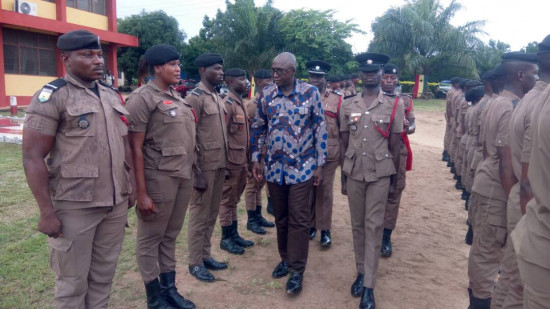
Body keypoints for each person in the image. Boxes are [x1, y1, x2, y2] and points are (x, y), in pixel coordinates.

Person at [22, 30, 133, 308]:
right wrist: (47, 212)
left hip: (114, 204)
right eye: (87, 55)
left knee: (103, 278)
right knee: (72, 284)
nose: (97, 60)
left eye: (98, 54)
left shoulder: (111, 95)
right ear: (66, 59)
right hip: (75, 206)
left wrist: (128, 185)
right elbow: (32, 156)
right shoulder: (53, 96)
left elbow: (123, 143)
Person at [250, 52, 327, 295]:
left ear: (292, 71)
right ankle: (285, 258)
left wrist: (320, 164)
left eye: (279, 71)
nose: (274, 75)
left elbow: (319, 127)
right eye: (273, 70)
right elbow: (259, 128)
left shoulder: (309, 93)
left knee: (299, 219)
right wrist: (256, 159)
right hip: (274, 168)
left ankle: (297, 270)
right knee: (281, 217)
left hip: (302, 167)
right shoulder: (266, 95)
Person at [126, 44, 196, 309]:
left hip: (181, 177)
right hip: (158, 179)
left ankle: (170, 289)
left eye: (178, 64)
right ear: (157, 67)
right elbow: (135, 148)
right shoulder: (142, 98)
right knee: (149, 239)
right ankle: (154, 298)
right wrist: (140, 192)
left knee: (170, 236)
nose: (178, 69)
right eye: (172, 64)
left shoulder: (177, 97)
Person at [468, 52, 538, 308]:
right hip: (497, 189)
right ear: (520, 75)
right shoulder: (510, 108)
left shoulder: (496, 102)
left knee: (485, 250)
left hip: (488, 183)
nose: (537, 78)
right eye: (534, 73)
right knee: (488, 254)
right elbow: (506, 163)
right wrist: (515, 200)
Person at [340, 53, 404, 309]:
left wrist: (393, 179)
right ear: (360, 75)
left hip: (379, 172)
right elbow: (345, 140)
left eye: (374, 71)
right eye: (365, 72)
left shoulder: (393, 104)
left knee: (374, 225)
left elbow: (395, 145)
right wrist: (344, 175)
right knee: (357, 225)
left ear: (381, 74)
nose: (369, 75)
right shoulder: (347, 104)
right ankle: (360, 271)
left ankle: (369, 286)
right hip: (354, 171)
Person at [494, 37, 550, 309]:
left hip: (527, 203)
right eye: (532, 72)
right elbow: (524, 176)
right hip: (530, 205)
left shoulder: (529, 101)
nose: (534, 77)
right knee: (518, 286)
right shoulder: (538, 103)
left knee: (511, 279)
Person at [511, 35, 550, 309]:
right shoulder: (537, 103)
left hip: (535, 222)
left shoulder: (536, 101)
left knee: (512, 282)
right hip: (538, 222)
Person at [186, 53, 229, 283]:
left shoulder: (215, 96)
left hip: (219, 164)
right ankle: (194, 262)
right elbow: (189, 135)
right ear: (203, 70)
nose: (221, 72)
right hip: (204, 168)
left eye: (222, 69)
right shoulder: (195, 97)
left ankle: (205, 255)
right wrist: (196, 171)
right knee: (199, 214)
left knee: (212, 213)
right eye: (217, 68)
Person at [217, 68, 256, 255]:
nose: (246, 81)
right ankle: (226, 238)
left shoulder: (240, 102)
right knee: (226, 200)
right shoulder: (228, 104)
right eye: (242, 79)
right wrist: (223, 164)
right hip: (230, 163)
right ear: (231, 82)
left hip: (241, 162)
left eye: (246, 78)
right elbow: (221, 136)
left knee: (234, 200)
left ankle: (234, 234)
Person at [379, 63, 415, 258]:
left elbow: (413, 124)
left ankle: (386, 236)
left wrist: (408, 126)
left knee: (393, 193)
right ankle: (372, 233)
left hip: (397, 152)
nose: (389, 81)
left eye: (393, 78)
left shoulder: (405, 101)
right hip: (376, 150)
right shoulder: (370, 99)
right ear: (380, 78)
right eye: (386, 77)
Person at [306, 60, 342, 247]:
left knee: (325, 192)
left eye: (319, 77)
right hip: (305, 154)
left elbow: (343, 129)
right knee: (308, 191)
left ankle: (325, 229)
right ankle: (311, 225)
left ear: (325, 78)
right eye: (312, 76)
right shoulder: (301, 96)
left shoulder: (337, 99)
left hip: (329, 154)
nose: (315, 80)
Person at [244, 69, 276, 232]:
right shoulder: (252, 106)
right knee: (252, 186)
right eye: (269, 80)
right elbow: (249, 134)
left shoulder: (267, 102)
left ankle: (258, 215)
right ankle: (251, 220)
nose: (272, 82)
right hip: (256, 154)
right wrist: (251, 158)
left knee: (259, 185)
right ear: (260, 82)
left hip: (267, 153)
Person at [443, 77, 460, 162]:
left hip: (452, 115)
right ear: (455, 83)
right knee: (450, 135)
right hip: (452, 115)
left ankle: (448, 152)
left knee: (450, 135)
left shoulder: (454, 92)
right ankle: (446, 152)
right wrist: (449, 118)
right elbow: (449, 106)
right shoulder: (452, 92)